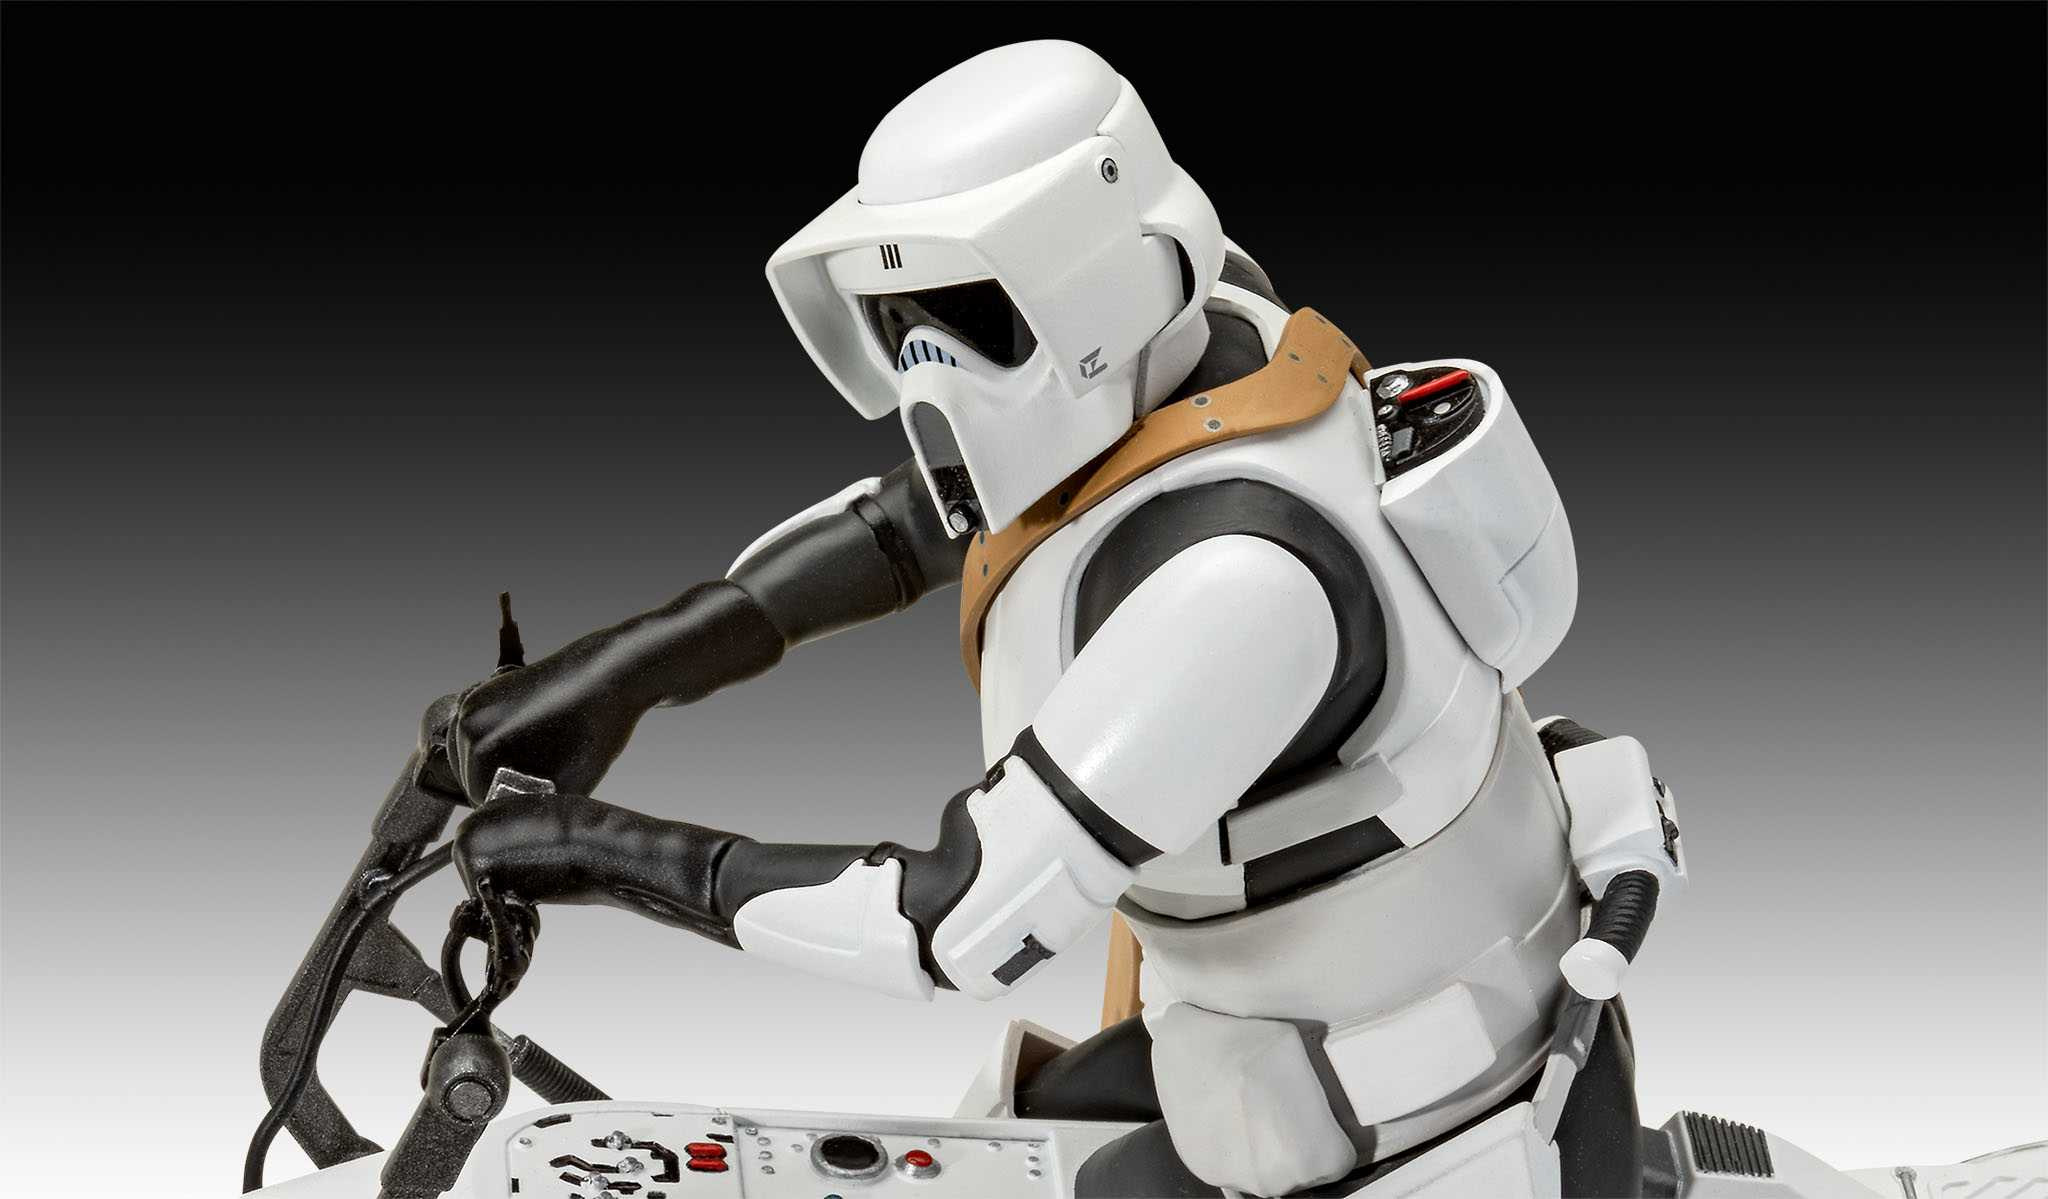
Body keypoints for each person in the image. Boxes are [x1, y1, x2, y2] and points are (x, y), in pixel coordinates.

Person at [442, 40, 1685, 1198]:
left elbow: (950, 923)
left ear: (1113, 284)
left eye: (969, 319)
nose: (927, 374)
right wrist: (621, 672)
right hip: (1294, 1021)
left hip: (1414, 1122)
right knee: (1021, 1118)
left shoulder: (1243, 586)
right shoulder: (1215, 343)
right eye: (896, 325)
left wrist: (605, 852)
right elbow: (936, 519)